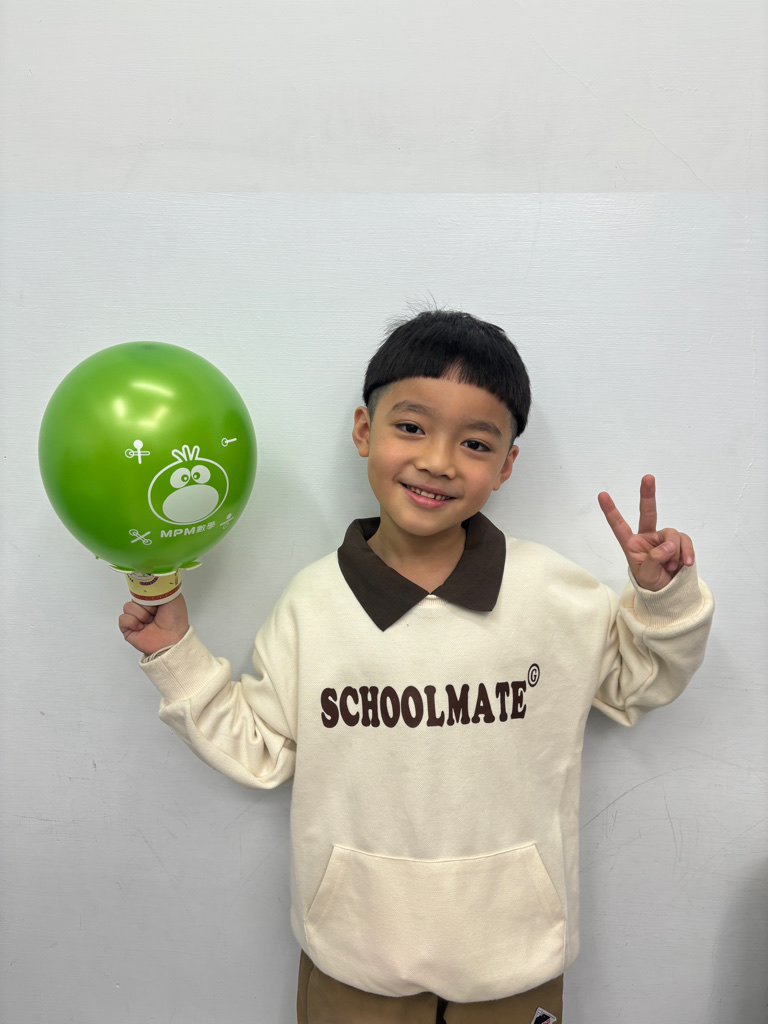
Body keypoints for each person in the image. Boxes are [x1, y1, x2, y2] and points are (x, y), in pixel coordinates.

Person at [119, 310, 714, 1024]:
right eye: (411, 426)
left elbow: (641, 680)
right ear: (364, 431)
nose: (438, 460)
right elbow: (263, 750)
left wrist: (663, 596)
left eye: (475, 442)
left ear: (506, 464)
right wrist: (176, 654)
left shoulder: (557, 597)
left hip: (515, 956)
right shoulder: (313, 604)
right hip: (353, 958)